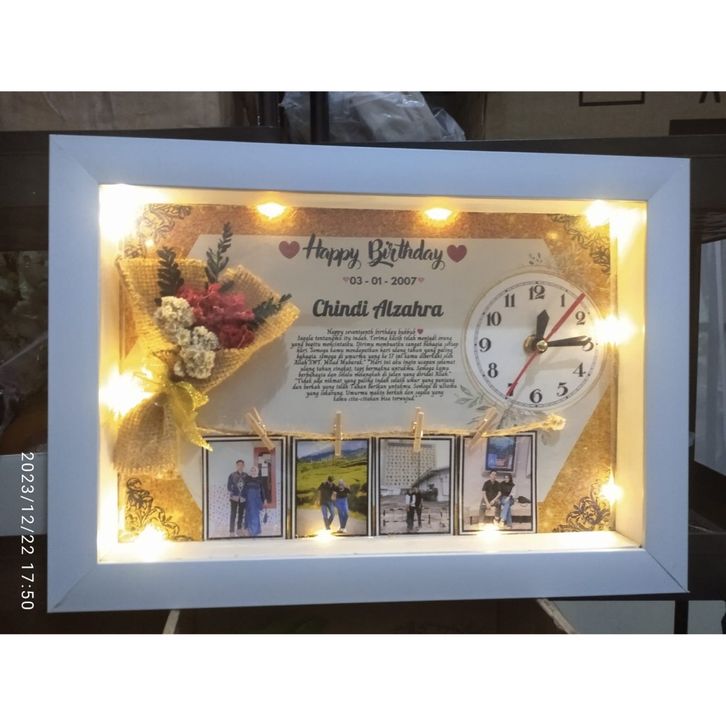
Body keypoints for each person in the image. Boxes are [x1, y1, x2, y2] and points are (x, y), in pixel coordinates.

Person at [242, 464, 267, 537]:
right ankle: (249, 530)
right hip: (248, 500)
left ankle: (254, 531)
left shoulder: (260, 479)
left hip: (256, 500)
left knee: (255, 515)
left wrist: (264, 499)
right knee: (248, 515)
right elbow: (244, 489)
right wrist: (243, 497)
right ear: (250, 471)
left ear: (257, 471)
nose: (253, 471)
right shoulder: (247, 479)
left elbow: (263, 490)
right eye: (252, 470)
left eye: (255, 470)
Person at [227, 459, 248, 536]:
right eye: (238, 465)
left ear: (244, 466)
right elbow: (229, 487)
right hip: (234, 498)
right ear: (236, 466)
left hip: (243, 498)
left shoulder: (246, 476)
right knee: (233, 514)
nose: (240, 466)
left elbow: (247, 487)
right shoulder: (232, 475)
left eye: (241, 465)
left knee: (241, 514)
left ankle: (239, 530)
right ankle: (231, 531)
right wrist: (235, 493)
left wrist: (244, 495)